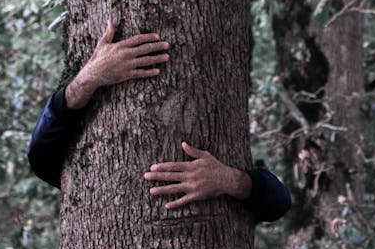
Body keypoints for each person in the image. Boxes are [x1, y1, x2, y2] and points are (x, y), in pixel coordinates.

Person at [28, 20, 291, 223]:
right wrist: (88, 78)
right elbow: (41, 156)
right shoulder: (79, 169)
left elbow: (279, 202)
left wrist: (231, 180)